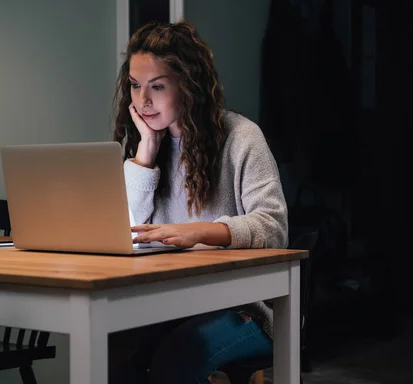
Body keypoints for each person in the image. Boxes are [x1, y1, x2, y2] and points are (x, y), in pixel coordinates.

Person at [110, 20, 289, 384]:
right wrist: (145, 154)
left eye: (157, 86)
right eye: (135, 85)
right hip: (172, 302)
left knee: (179, 357)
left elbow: (274, 227)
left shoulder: (241, 137)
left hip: (245, 309)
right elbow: (127, 230)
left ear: (188, 86)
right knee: (117, 351)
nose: (143, 100)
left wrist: (202, 232)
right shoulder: (145, 145)